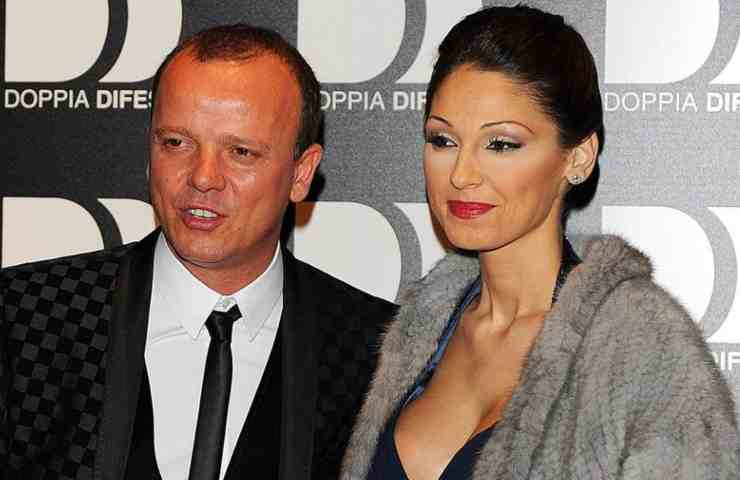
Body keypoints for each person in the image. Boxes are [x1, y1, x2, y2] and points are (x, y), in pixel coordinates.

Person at [341, 5, 740, 479]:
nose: (462, 174)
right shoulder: (414, 334)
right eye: (443, 140)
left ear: (578, 158)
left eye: (501, 144)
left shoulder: (638, 348)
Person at [0, 24, 395, 480]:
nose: (203, 177)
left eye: (241, 151)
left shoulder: (377, 353)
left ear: (301, 173)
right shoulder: (25, 316)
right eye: (176, 143)